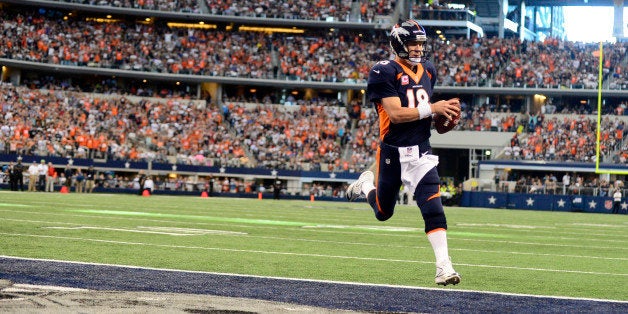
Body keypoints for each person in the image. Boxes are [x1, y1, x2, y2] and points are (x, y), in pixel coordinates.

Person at [346, 20, 462, 286]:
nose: (418, 48)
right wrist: (434, 108)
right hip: (392, 153)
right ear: (399, 44)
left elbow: (427, 116)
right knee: (383, 212)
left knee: (433, 208)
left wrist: (443, 117)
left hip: (421, 152)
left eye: (421, 43)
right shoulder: (382, 71)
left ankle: (444, 267)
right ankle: (365, 185)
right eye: (413, 43)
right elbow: (397, 115)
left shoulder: (429, 70)